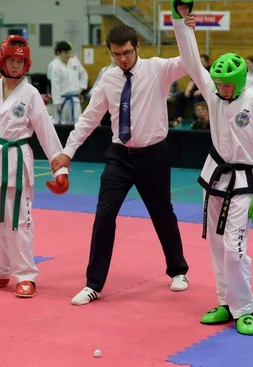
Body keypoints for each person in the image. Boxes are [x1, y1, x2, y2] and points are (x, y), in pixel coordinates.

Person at [50, 23, 191, 306]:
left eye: (127, 52)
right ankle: (93, 284)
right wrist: (67, 152)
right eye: (116, 54)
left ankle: (178, 271)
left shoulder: (158, 69)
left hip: (154, 154)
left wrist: (183, 29)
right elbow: (89, 119)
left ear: (137, 47)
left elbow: (189, 60)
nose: (123, 59)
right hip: (119, 156)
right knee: (104, 216)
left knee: (162, 213)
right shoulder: (108, 79)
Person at [172, 0, 253, 335]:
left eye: (225, 84)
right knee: (216, 246)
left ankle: (245, 308)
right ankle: (225, 302)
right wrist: (181, 22)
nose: (219, 88)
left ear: (238, 82)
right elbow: (192, 62)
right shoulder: (215, 96)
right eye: (216, 84)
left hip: (246, 183)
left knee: (234, 248)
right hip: (215, 178)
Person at [0, 35, 70, 298]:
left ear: (26, 64)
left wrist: (60, 169)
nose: (14, 66)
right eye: (11, 60)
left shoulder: (31, 94)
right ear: (2, 61)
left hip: (17, 161)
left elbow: (46, 133)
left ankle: (25, 275)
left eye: (19, 61)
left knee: (19, 222)